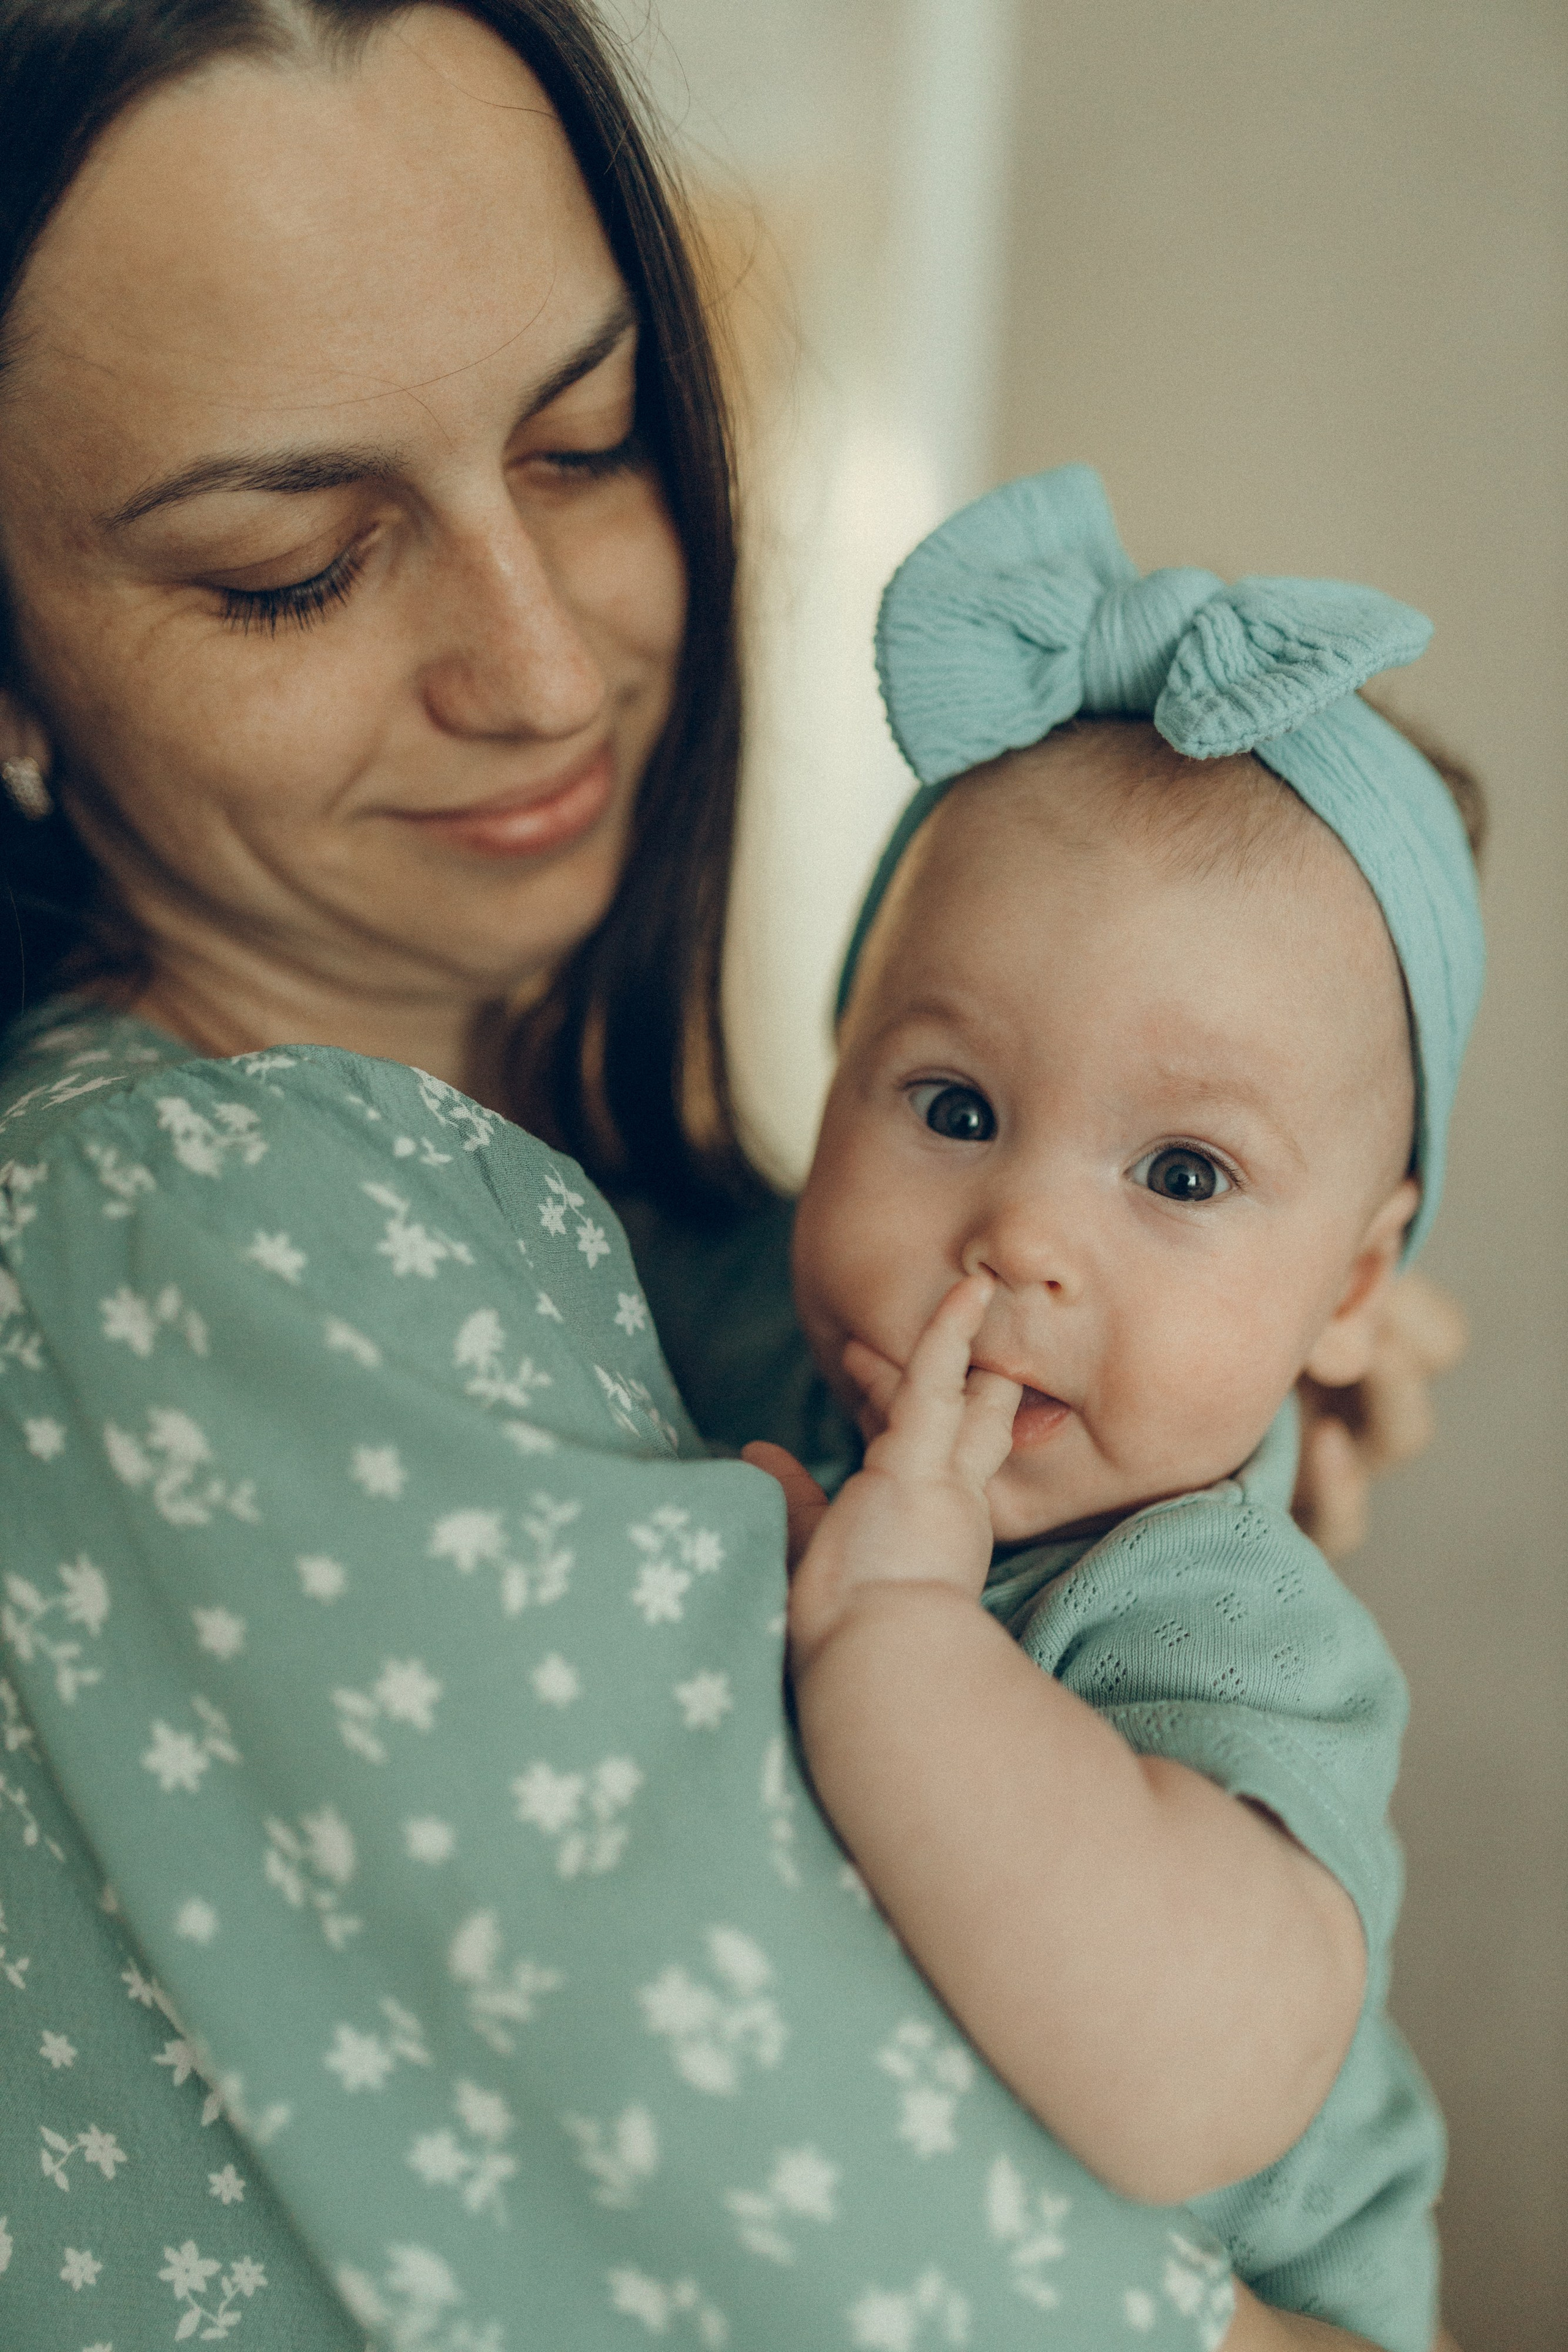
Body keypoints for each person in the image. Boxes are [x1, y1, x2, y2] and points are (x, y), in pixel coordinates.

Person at [0, 4, 1460, 2346]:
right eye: (292, 565)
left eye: (586, 447)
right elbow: (901, 2270)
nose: (543, 662)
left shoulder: (642, 1230)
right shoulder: (187, 1237)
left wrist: (1232, 1345)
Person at [741, 466, 1485, 2352]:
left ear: (1349, 1290)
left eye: (1181, 1173)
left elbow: (1192, 2083)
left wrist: (902, 1641)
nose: (1019, 1242)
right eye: (954, 1108)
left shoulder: (1216, 1619)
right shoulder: (804, 1380)